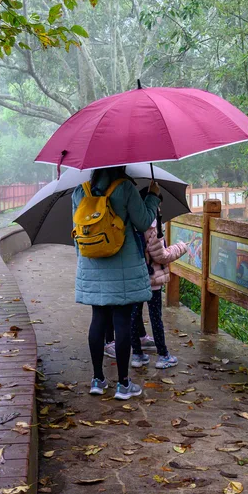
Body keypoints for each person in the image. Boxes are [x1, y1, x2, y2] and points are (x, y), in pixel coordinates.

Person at [73, 166, 161, 400]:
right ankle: (123, 384)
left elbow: (77, 234)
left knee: (98, 319)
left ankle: (97, 380)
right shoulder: (124, 188)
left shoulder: (80, 192)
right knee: (122, 320)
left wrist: (84, 263)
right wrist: (152, 196)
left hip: (91, 264)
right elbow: (143, 223)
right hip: (123, 263)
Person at [130, 212, 188, 369]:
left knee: (134, 316)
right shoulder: (151, 228)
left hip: (134, 280)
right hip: (152, 281)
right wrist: (180, 247)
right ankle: (163, 355)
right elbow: (161, 256)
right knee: (156, 317)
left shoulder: (130, 223)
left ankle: (137, 355)